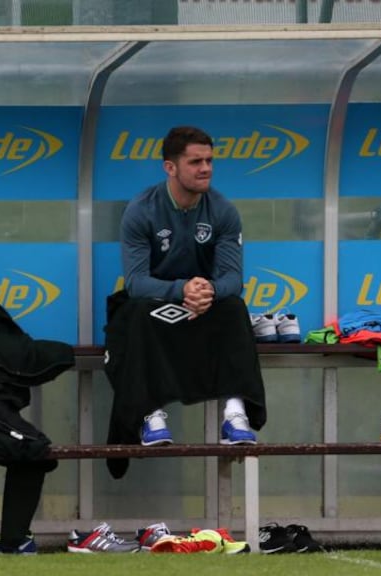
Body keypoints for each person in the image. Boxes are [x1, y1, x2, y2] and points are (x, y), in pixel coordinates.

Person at [103, 125, 267, 478]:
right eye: (195, 162)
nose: (205, 168)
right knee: (135, 312)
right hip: (158, 303)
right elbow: (135, 281)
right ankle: (149, 413)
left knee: (235, 308)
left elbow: (233, 279)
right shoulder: (141, 210)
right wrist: (181, 290)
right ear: (170, 167)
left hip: (204, 307)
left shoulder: (223, 210)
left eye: (209, 160)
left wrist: (207, 291)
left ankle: (235, 414)